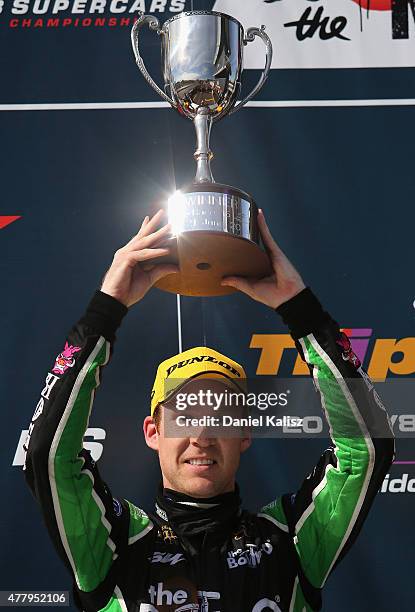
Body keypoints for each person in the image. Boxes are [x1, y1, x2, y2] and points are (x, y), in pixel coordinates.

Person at [23, 209, 395, 612]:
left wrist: (300, 310)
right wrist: (105, 311)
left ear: (245, 434)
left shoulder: (290, 541)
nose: (202, 435)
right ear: (152, 432)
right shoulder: (117, 543)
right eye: (184, 415)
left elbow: (368, 449)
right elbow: (48, 457)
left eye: (220, 416)